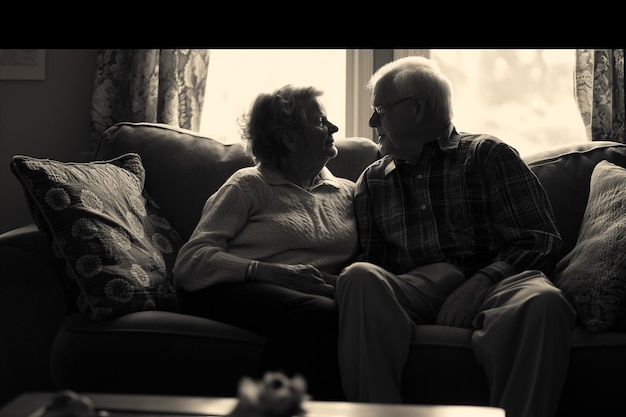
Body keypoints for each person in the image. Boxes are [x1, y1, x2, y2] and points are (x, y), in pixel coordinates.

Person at [334, 56, 577, 417]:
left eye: (380, 110)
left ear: (416, 109)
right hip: (416, 285)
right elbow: (375, 262)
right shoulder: (372, 180)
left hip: (496, 281)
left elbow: (539, 238)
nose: (372, 122)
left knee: (545, 302)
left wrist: (478, 282)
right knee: (358, 277)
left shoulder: (487, 154)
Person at [173, 84, 357, 401]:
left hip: (305, 295)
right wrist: (271, 273)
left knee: (330, 311)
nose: (334, 128)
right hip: (226, 289)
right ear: (290, 138)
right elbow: (191, 263)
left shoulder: (349, 192)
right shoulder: (250, 185)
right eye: (320, 121)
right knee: (317, 313)